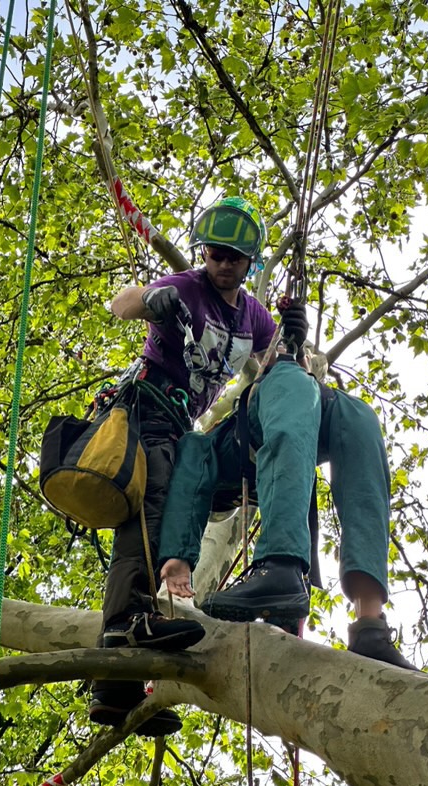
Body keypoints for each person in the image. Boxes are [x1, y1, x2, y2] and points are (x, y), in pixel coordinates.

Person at [90, 197, 309, 735]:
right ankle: (121, 633)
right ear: (202, 252)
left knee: (163, 515)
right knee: (148, 516)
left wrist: (292, 342)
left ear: (250, 261)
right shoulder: (187, 285)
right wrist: (151, 299)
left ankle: (116, 692)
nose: (223, 264)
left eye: (234, 256)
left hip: (183, 424)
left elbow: (271, 368)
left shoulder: (252, 315)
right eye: (215, 253)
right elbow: (120, 304)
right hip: (147, 407)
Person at [158, 360, 418, 671]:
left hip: (296, 404)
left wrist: (292, 344)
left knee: (358, 416)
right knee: (291, 379)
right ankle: (280, 565)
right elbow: (189, 479)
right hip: (271, 412)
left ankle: (370, 623)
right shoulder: (204, 448)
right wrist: (178, 560)